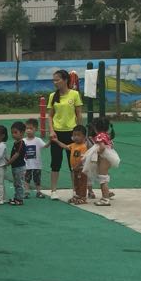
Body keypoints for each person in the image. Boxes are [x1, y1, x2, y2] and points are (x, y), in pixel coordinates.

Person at [47, 69, 83, 199]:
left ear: (65, 80)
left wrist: (79, 132)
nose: (55, 82)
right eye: (54, 80)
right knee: (55, 163)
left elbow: (79, 114)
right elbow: (50, 116)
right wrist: (51, 131)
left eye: (57, 80)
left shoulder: (74, 94)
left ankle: (75, 190)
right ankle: (53, 191)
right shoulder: (52, 96)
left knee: (73, 163)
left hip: (72, 134)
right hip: (57, 134)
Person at [52, 124, 92, 204]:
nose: (76, 137)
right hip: (75, 169)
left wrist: (77, 166)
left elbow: (82, 159)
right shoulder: (73, 145)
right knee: (76, 182)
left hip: (81, 169)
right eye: (74, 135)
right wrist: (56, 141)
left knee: (82, 183)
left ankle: (83, 197)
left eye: (78, 135)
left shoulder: (83, 147)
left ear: (84, 137)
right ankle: (77, 195)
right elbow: (65, 146)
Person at [82, 131, 121, 206]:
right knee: (104, 178)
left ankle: (105, 199)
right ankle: (106, 194)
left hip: (104, 159)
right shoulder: (106, 135)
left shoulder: (100, 136)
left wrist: (97, 152)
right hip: (108, 158)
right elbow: (111, 145)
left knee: (103, 179)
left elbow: (102, 147)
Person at [22, 118, 48, 198]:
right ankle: (26, 192)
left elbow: (45, 146)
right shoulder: (23, 141)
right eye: (27, 128)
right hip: (26, 164)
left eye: (31, 128)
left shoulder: (38, 140)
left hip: (37, 165)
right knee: (26, 179)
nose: (28, 130)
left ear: (36, 129)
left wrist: (51, 141)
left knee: (37, 179)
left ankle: (38, 191)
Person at [7, 121, 27, 205]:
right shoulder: (16, 143)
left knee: (19, 183)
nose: (13, 134)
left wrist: (9, 162)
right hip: (15, 166)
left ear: (22, 133)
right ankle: (16, 197)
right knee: (16, 183)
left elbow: (17, 154)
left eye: (15, 132)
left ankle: (20, 199)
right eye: (12, 132)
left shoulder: (21, 143)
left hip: (19, 167)